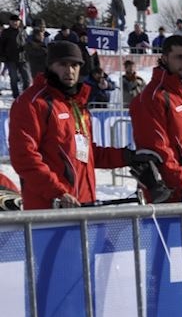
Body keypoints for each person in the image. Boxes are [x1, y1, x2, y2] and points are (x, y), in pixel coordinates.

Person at [9, 40, 139, 209]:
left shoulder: (77, 104)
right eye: (63, 64)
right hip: (50, 209)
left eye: (75, 65)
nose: (69, 71)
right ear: (50, 66)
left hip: (83, 205)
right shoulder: (32, 103)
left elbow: (86, 154)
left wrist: (128, 157)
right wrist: (58, 193)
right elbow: (24, 158)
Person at [130, 35, 182, 202]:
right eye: (179, 57)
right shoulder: (154, 97)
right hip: (173, 197)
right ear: (165, 58)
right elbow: (159, 152)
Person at [1, 13, 30, 99]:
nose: (15, 23)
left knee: (27, 79)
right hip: (11, 59)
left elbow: (27, 43)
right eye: (13, 21)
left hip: (23, 58)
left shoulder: (23, 31)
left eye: (17, 21)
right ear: (10, 22)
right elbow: (1, 45)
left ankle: (26, 95)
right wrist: (3, 56)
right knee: (14, 78)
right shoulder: (6, 32)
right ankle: (16, 95)